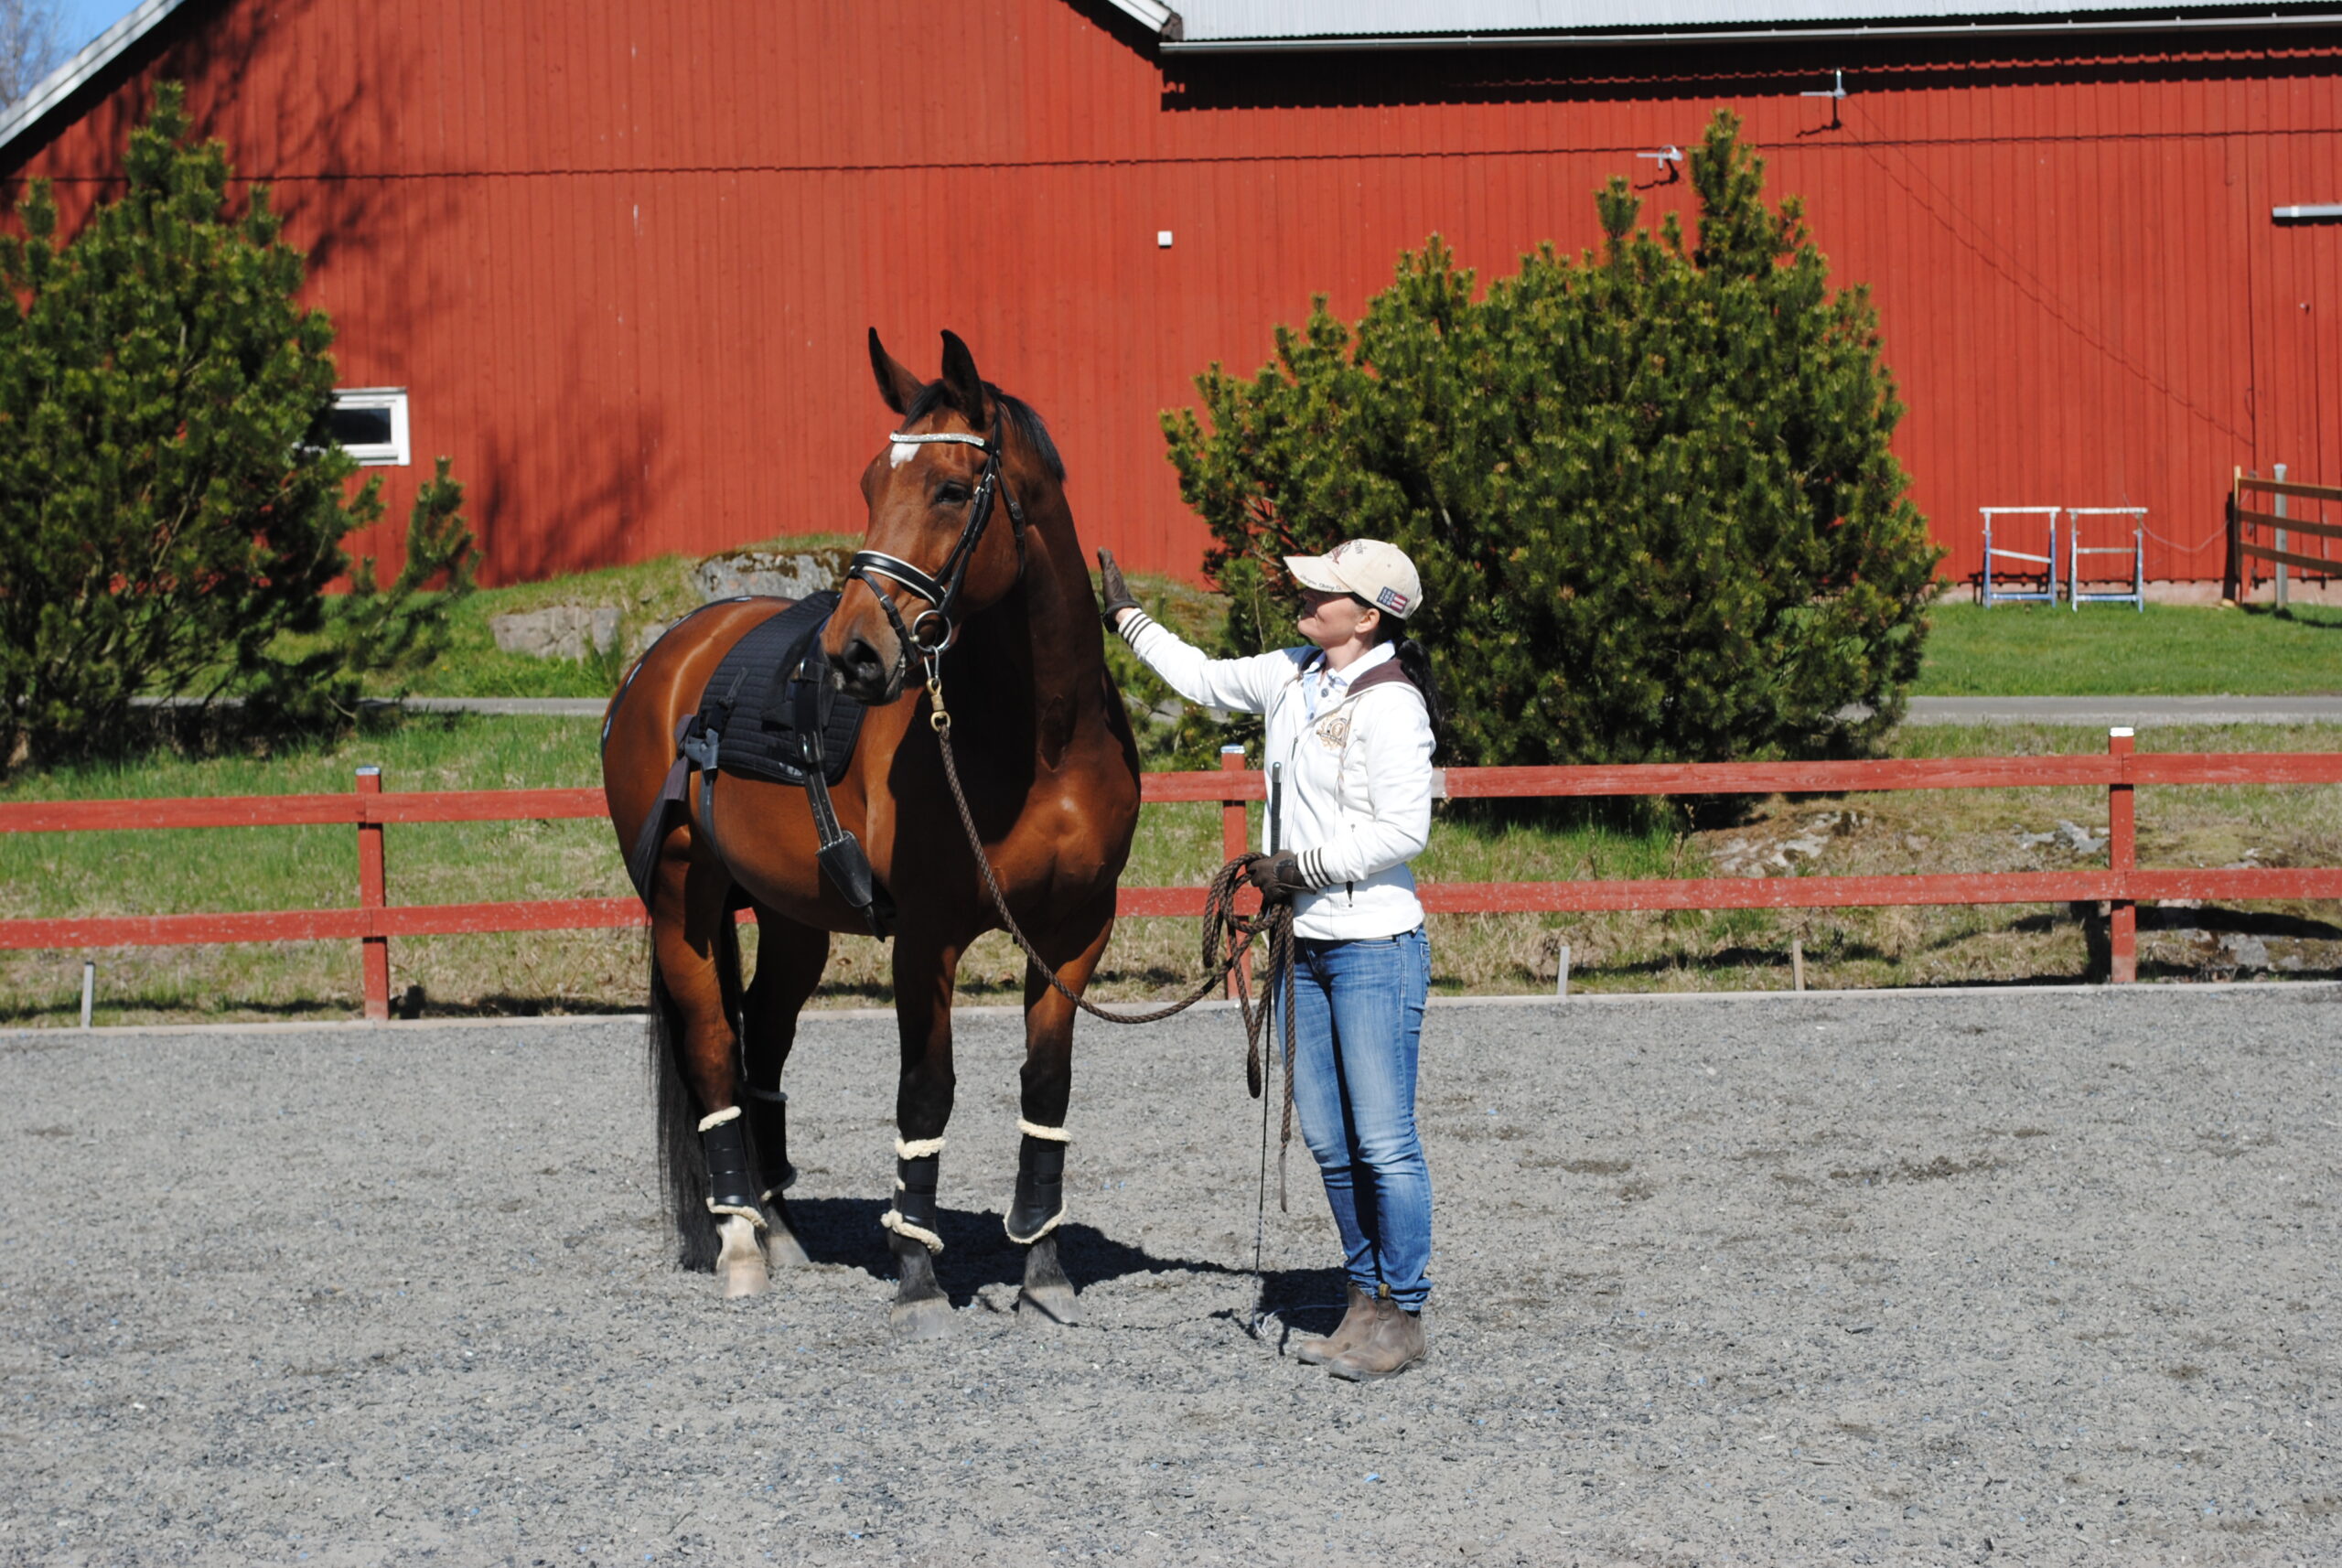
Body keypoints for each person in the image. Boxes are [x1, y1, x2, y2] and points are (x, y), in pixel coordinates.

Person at [1096, 539, 1440, 1381]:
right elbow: (1203, 679)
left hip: (1370, 946)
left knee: (1384, 1141)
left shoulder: (1393, 706)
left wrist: (1299, 870)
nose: (1306, 594)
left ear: (1367, 616)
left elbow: (1405, 831)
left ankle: (1406, 1311)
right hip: (1303, 947)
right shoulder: (1294, 672)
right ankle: (1363, 1299)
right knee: (1327, 1136)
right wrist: (1127, 619)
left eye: (1326, 590)